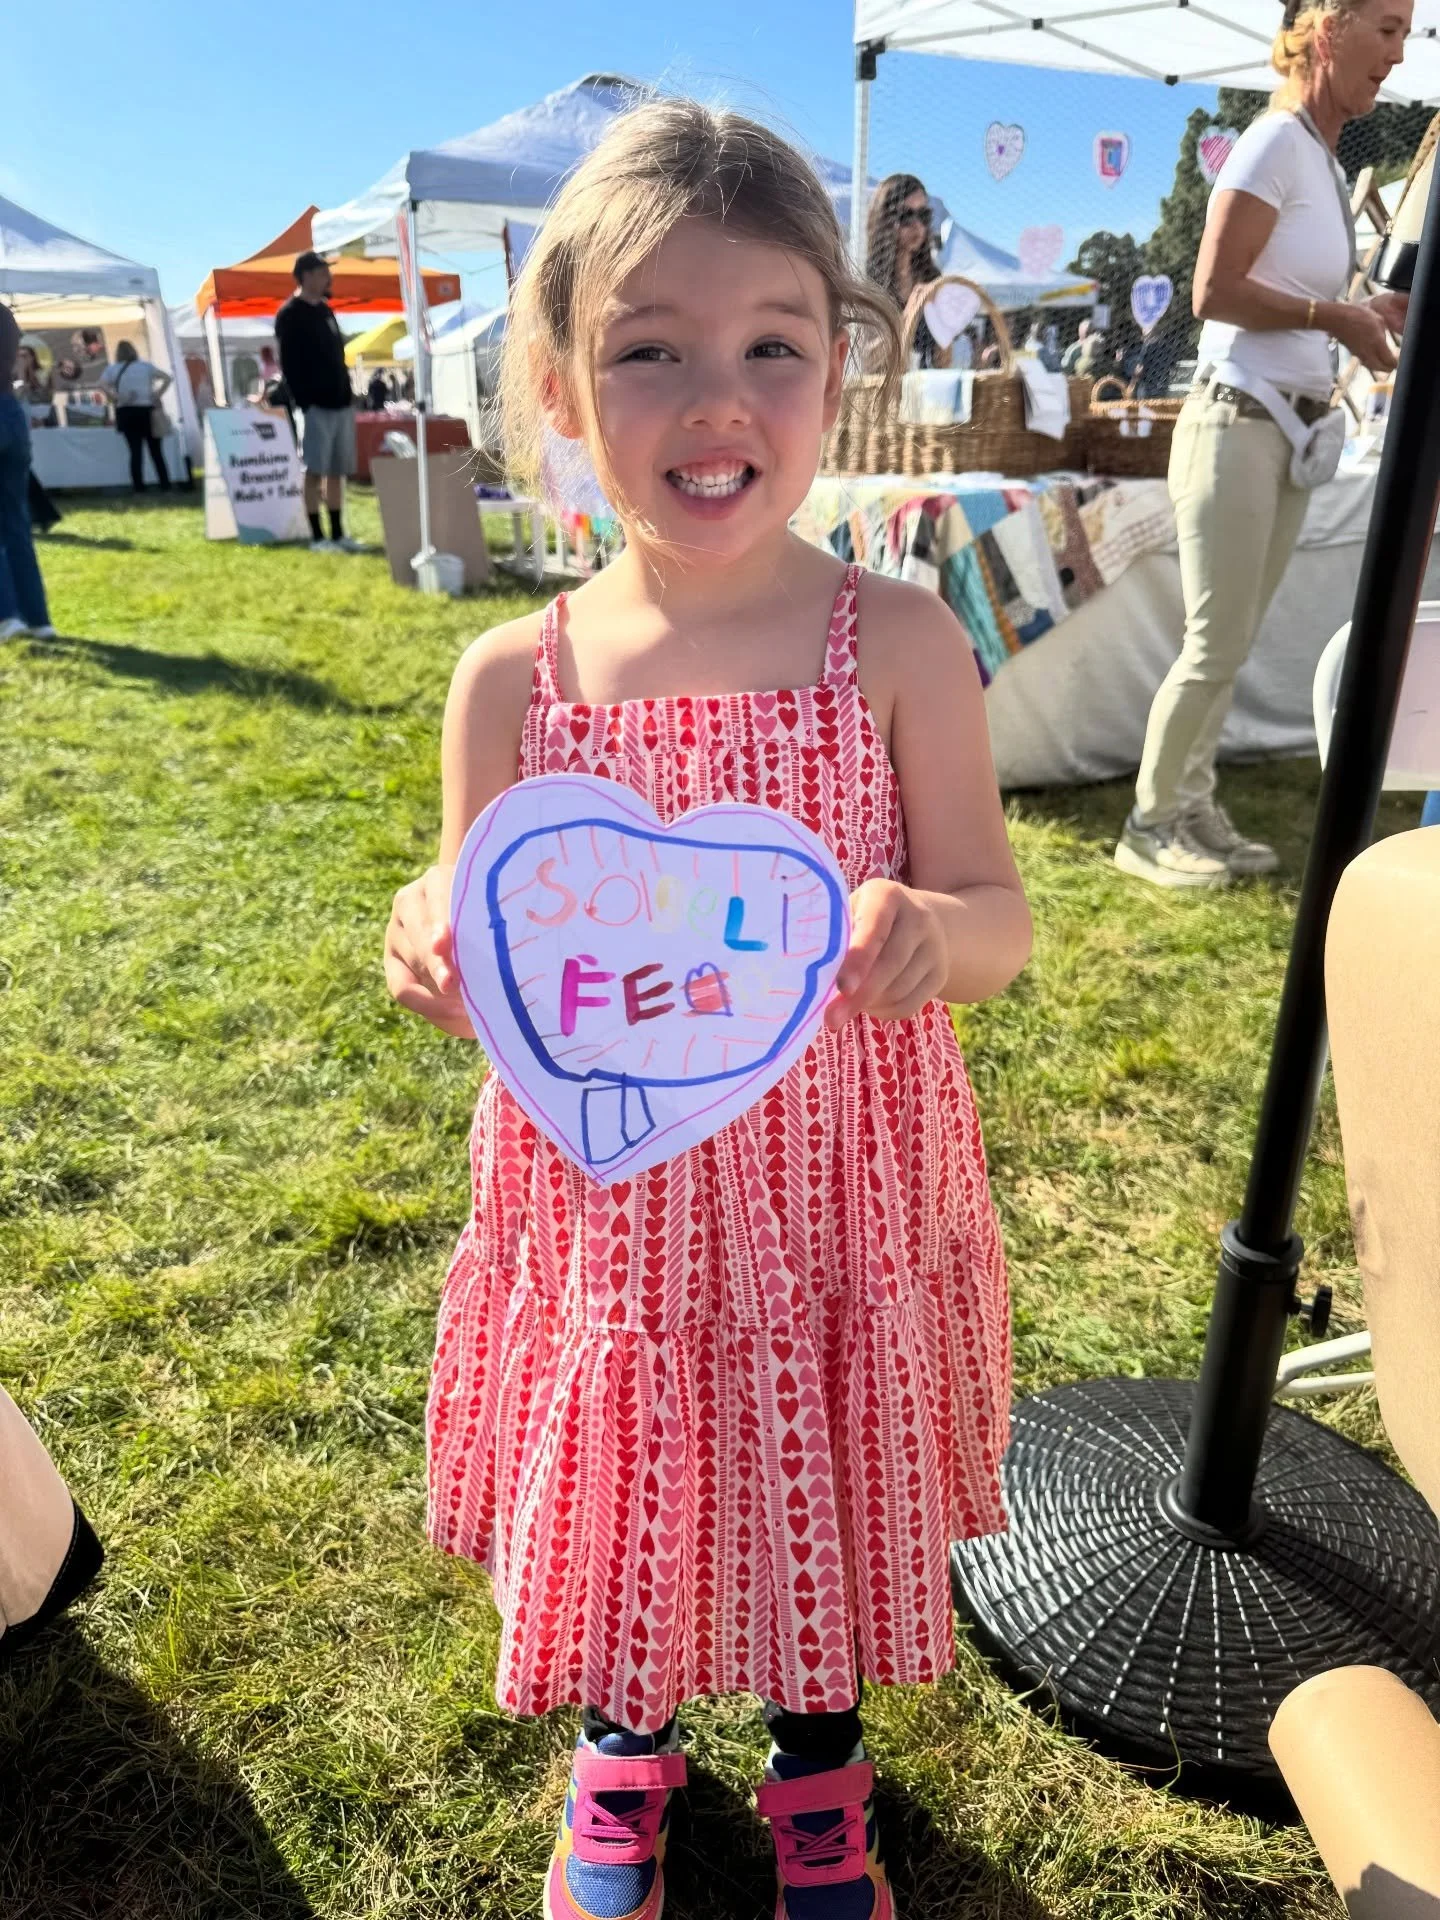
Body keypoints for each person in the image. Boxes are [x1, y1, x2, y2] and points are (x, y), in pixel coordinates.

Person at [382, 98, 1031, 1920]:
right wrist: (428, 947)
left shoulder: (897, 645)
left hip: (839, 1196)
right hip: (616, 1216)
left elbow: (1003, 911)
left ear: (840, 372)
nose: (716, 401)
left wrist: (934, 934)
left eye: (770, 347)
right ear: (568, 393)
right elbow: (483, 943)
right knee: (635, 1466)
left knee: (814, 1456)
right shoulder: (513, 678)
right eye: (650, 354)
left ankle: (818, 1764)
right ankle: (624, 1743)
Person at [1116, 0, 1410, 888]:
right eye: (1388, 29)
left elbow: (1287, 294)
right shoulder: (1277, 142)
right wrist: (1337, 317)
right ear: (1329, 29)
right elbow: (1212, 290)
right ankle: (1149, 824)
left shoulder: (1318, 157)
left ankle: (1192, 806)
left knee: (1231, 641)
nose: (1399, 56)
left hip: (1278, 429)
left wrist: (1364, 313)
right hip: (1234, 421)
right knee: (1213, 642)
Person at [275, 250, 361, 552]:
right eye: (324, 272)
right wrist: (305, 402)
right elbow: (289, 366)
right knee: (314, 471)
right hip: (315, 406)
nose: (329, 277)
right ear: (307, 275)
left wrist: (348, 393)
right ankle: (317, 537)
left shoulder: (326, 310)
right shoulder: (289, 314)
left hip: (340, 402)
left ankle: (338, 534)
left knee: (337, 470)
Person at [0, 304, 56, 640]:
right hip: (11, 412)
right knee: (17, 523)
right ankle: (38, 619)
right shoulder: (5, 315)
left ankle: (7, 616)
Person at [865, 171, 951, 368]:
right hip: (881, 394)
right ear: (885, 219)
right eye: (906, 216)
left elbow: (943, 363)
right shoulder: (868, 282)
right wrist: (909, 316)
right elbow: (864, 360)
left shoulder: (931, 277)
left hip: (925, 392)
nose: (917, 226)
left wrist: (945, 326)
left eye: (924, 215)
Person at [101, 340, 173, 493]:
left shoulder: (113, 369)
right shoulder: (146, 367)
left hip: (126, 411)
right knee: (156, 451)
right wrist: (157, 394)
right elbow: (167, 378)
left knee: (135, 451)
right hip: (147, 410)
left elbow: (102, 384)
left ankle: (139, 486)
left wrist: (116, 396)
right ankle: (165, 484)